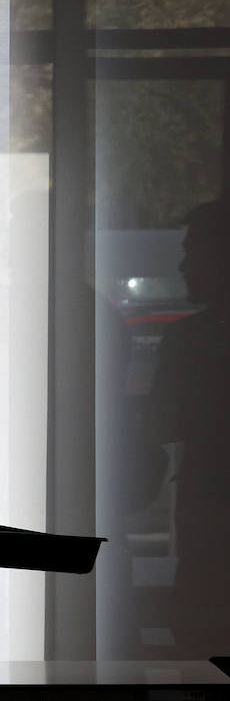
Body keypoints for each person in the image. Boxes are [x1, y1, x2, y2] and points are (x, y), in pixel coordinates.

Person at [142, 198, 230, 657]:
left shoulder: (188, 343)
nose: (183, 263)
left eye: (193, 249)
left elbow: (156, 427)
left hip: (207, 525)